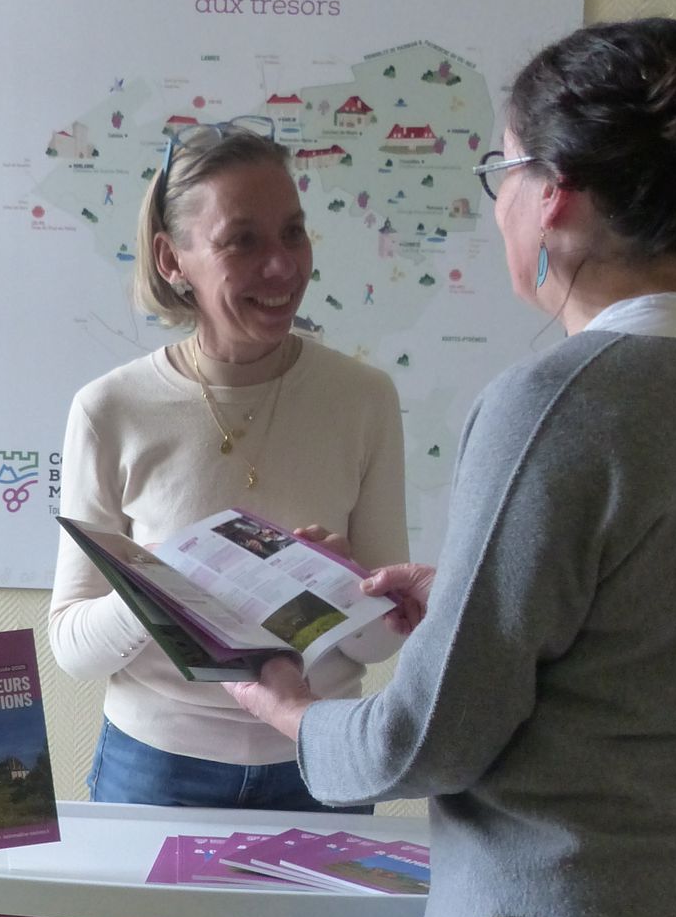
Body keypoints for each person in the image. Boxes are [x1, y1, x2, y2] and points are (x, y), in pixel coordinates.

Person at [226, 18, 676, 917]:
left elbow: (425, 740)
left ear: (554, 194)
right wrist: (460, 593)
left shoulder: (557, 400)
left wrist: (291, 712)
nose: (496, 202)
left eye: (500, 171)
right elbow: (666, 640)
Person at [49, 116, 411, 811]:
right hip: (157, 767)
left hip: (320, 757)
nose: (281, 266)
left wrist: (350, 593)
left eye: (293, 232)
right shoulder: (109, 409)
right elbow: (72, 647)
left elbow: (374, 648)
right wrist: (158, 585)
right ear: (171, 259)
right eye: (241, 241)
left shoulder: (363, 398)